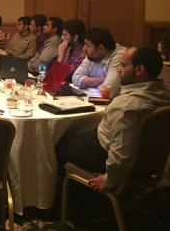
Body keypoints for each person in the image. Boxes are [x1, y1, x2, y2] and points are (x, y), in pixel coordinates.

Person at [56, 46, 170, 192]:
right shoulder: (164, 95)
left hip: (103, 153)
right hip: (149, 161)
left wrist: (110, 179)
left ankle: (73, 199)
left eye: (123, 65)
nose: (118, 70)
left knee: (58, 144)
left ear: (139, 70)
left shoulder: (126, 107)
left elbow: (122, 152)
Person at [72, 27, 126, 98]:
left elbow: (109, 91)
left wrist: (87, 82)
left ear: (100, 48)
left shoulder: (119, 56)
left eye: (88, 45)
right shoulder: (91, 55)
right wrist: (103, 79)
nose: (84, 48)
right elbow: (75, 78)